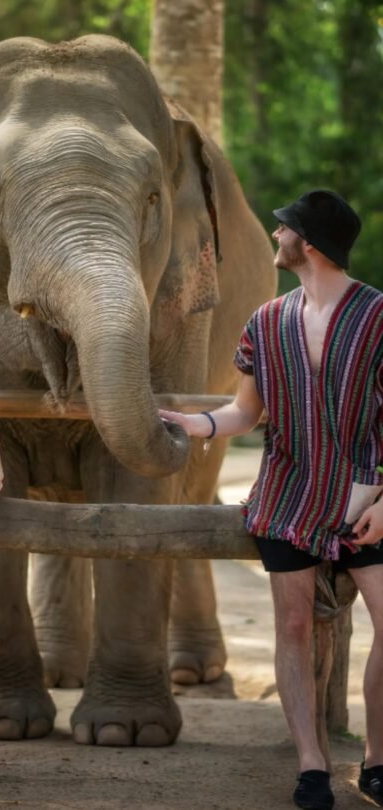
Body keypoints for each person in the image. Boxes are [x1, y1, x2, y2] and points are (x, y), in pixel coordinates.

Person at [160, 190, 383, 810]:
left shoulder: (377, 316)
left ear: (308, 243)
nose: (275, 236)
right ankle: (312, 765)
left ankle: (376, 760)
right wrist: (196, 424)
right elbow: (245, 411)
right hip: (287, 499)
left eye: (284, 229)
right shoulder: (265, 321)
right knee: (292, 627)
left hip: (365, 497)